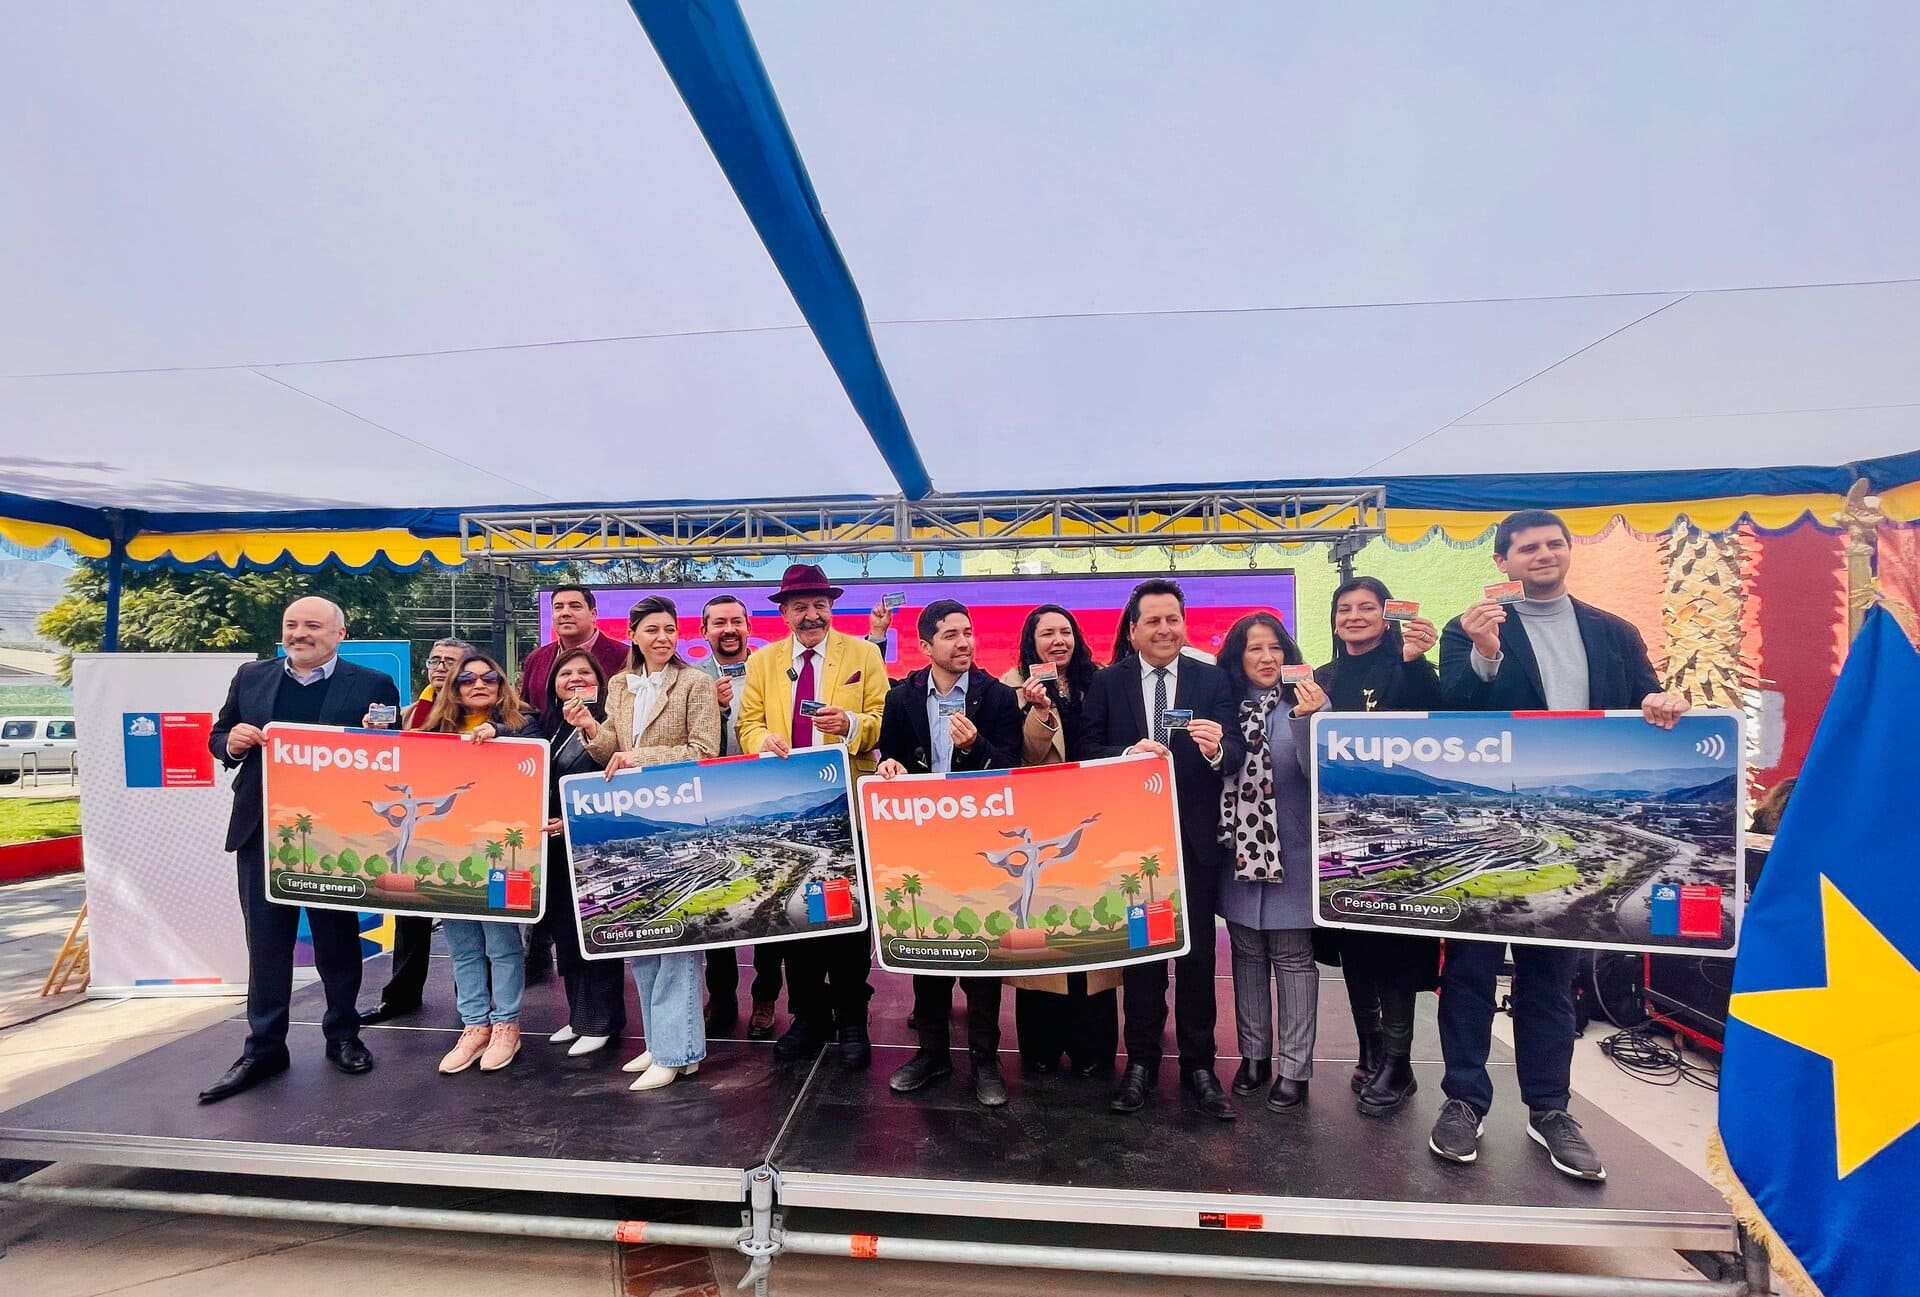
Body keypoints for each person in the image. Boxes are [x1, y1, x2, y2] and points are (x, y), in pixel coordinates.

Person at [1432, 508, 1690, 1181]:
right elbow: (1451, 710)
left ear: (1568, 550)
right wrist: (1485, 654)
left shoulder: (1613, 632)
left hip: (1574, 824)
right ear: (1503, 562)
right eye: (1527, 548)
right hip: (1490, 820)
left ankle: (1550, 1109)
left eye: (1553, 544)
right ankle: (1464, 1100)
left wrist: (1664, 705)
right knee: (1468, 973)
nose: (1543, 554)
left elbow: (1649, 702)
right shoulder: (1467, 629)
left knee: (1550, 979)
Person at [200, 596, 400, 1103]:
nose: (300, 633)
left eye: (313, 625)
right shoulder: (251, 677)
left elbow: (394, 753)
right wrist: (231, 741)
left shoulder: (373, 685)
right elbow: (219, 735)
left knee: (337, 940)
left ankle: (343, 1035)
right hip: (262, 831)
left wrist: (379, 741)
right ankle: (264, 1047)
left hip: (337, 835)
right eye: (292, 624)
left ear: (339, 633)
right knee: (266, 944)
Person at [1075, 579, 1244, 1120]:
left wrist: (1217, 751)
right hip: (1133, 849)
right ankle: (1141, 1064)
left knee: (1197, 960)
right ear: (1133, 631)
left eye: (1173, 619)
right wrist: (1127, 753)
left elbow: (1236, 751)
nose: (1165, 629)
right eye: (1153, 620)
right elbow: (1085, 748)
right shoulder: (1109, 682)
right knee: (1143, 959)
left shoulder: (1211, 679)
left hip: (1193, 844)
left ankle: (1200, 1067)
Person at [737, 563, 888, 1069]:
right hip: (791, 802)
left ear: (831, 608)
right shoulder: (763, 662)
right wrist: (761, 740)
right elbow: (747, 723)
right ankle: (807, 1015)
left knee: (846, 918)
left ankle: (851, 1017)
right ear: (784, 614)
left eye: (820, 605)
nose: (812, 615)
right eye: (800, 606)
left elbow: (882, 719)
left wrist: (851, 723)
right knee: (797, 915)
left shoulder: (863, 655)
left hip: (845, 804)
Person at [875, 600, 1025, 1107]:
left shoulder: (997, 696)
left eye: (968, 632)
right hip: (924, 842)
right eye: (951, 635)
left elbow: (1012, 766)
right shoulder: (902, 697)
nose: (964, 643)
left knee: (983, 953)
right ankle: (933, 1052)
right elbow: (891, 754)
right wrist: (890, 766)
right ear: (925, 646)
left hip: (981, 843)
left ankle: (985, 1059)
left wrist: (975, 746)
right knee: (928, 949)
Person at [1314, 577, 1443, 1117]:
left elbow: (1437, 726)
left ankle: (1399, 1064)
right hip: (1337, 835)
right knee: (1355, 950)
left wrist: (1414, 662)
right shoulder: (1320, 678)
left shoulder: (1410, 667)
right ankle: (1369, 1052)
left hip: (1398, 830)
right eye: (1344, 608)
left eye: (1367, 607)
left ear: (1386, 615)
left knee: (1394, 952)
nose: (1355, 616)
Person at [586, 595, 723, 1091]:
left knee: (676, 940)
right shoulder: (619, 684)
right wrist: (590, 730)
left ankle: (677, 1049)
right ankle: (660, 1041)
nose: (662, 638)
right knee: (641, 940)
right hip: (634, 812)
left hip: (680, 814)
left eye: (669, 629)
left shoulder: (695, 683)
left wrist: (639, 758)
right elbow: (611, 749)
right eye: (651, 630)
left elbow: (704, 749)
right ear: (633, 635)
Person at [998, 604, 1120, 1078]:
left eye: (1065, 632)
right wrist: (1037, 711)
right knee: (1043, 942)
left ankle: (1093, 1048)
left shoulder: (1101, 681)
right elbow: (1020, 757)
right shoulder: (1011, 687)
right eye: (1046, 633)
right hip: (1041, 827)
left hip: (1094, 824)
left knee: (1091, 940)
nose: (1057, 641)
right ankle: (1042, 1047)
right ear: (1031, 641)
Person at [1214, 612, 1322, 1114]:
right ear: (1238, 658)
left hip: (1293, 855)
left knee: (1294, 960)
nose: (1266, 658)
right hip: (1236, 854)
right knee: (1246, 955)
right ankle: (1254, 1056)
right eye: (1254, 648)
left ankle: (1295, 1068)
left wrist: (1306, 720)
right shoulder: (1224, 708)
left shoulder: (1310, 702)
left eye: (1275, 647)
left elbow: (1317, 770)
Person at [423, 651, 543, 1075]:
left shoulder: (525, 722)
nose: (479, 684)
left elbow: (533, 739)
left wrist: (497, 731)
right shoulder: (434, 731)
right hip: (449, 854)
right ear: (453, 687)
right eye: (468, 679)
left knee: (502, 943)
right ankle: (474, 1025)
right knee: (463, 946)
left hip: (506, 853)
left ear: (501, 684)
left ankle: (506, 1024)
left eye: (489, 678)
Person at [360, 637, 472, 1027]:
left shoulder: (480, 713)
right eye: (434, 660)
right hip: (414, 823)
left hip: (459, 824)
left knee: (465, 916)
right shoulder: (408, 713)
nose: (439, 667)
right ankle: (400, 996)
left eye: (449, 661)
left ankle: (472, 1002)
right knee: (409, 915)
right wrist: (373, 735)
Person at [692, 593, 786, 1040]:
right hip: (711, 800)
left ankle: (765, 998)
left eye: (737, 622)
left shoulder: (771, 669)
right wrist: (712, 707)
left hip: (765, 792)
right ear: (704, 631)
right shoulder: (693, 678)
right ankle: (722, 997)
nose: (729, 630)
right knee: (718, 907)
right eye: (719, 623)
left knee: (769, 907)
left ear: (749, 627)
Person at [530, 646, 628, 1056]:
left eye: (584, 673)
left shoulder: (609, 725)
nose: (575, 679)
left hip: (593, 845)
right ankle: (579, 1016)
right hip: (551, 846)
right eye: (565, 673)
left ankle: (604, 1020)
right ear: (553, 683)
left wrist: (570, 820)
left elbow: (614, 789)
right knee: (565, 935)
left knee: (594, 931)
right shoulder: (546, 725)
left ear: (599, 682)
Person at [518, 584, 630, 716]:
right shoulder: (537, 658)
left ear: (593, 614)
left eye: (575, 606)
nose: (565, 613)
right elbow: (526, 709)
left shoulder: (625, 657)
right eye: (558, 607)